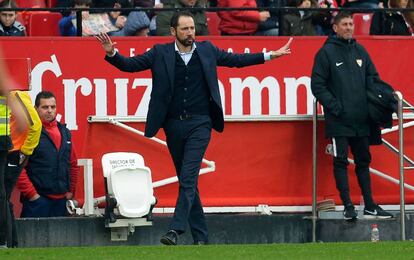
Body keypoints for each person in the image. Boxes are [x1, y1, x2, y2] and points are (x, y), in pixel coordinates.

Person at [96, 11, 292, 245]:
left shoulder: (207, 50)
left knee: (188, 177)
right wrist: (112, 54)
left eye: (192, 28)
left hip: (200, 123)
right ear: (173, 32)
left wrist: (269, 55)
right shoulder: (160, 53)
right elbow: (130, 66)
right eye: (185, 29)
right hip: (173, 125)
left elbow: (237, 60)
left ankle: (175, 229)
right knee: (187, 180)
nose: (191, 32)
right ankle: (201, 237)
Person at [311, 12, 394, 221]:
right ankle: (347, 205)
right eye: (345, 24)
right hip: (339, 120)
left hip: (362, 119)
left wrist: (376, 103)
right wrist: (335, 106)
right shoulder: (326, 53)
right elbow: (317, 85)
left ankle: (370, 205)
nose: (349, 27)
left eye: (351, 24)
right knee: (340, 161)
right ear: (335, 28)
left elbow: (373, 79)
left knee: (364, 161)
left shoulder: (360, 51)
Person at [16, 91, 79, 218]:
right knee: (32, 239)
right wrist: (33, 195)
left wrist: (70, 192)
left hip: (62, 202)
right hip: (38, 202)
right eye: (45, 107)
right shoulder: (29, 133)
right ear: (35, 109)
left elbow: (73, 164)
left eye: (52, 107)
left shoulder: (65, 132)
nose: (49, 110)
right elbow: (19, 167)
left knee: (62, 238)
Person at [4, 90, 41, 248]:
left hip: (13, 154)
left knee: (2, 199)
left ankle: (7, 243)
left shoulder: (16, 95)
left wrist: (25, 152)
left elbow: (36, 125)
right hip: (8, 153)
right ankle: (11, 244)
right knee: (4, 200)